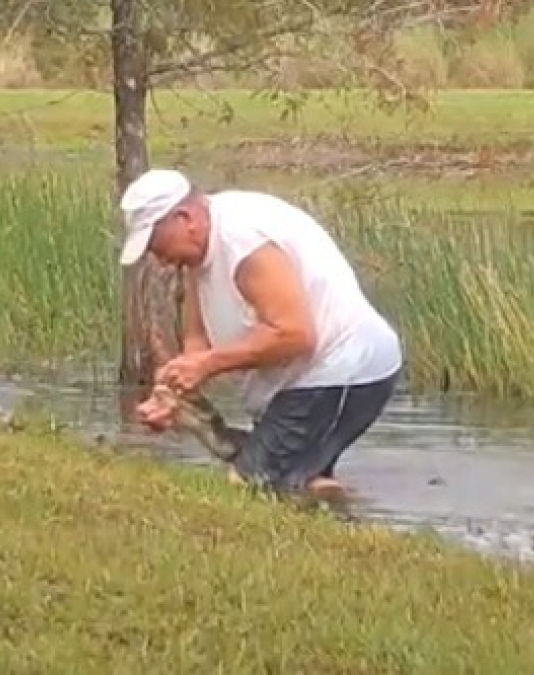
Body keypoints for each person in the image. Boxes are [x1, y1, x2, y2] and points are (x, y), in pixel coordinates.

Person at [118, 168, 402, 500]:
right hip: (303, 379)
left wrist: (208, 365)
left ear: (185, 218)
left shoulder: (244, 242)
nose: (159, 259)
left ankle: (344, 516)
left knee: (250, 485)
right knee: (291, 477)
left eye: (155, 242)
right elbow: (198, 342)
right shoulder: (199, 253)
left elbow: (295, 335)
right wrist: (173, 394)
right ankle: (332, 510)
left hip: (342, 368)